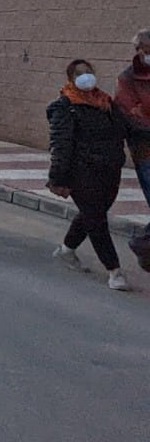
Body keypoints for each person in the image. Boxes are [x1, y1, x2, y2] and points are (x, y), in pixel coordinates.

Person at [47, 59, 144, 292]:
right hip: (81, 171)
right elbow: (61, 144)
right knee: (96, 218)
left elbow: (127, 128)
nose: (86, 76)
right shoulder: (65, 106)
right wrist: (57, 178)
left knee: (93, 214)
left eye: (89, 72)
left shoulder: (106, 102)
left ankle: (67, 251)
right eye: (80, 73)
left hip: (109, 169)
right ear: (71, 79)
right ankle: (114, 271)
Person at [114, 28, 150, 209]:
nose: (142, 52)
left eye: (145, 47)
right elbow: (130, 113)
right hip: (144, 148)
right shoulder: (128, 78)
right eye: (138, 48)